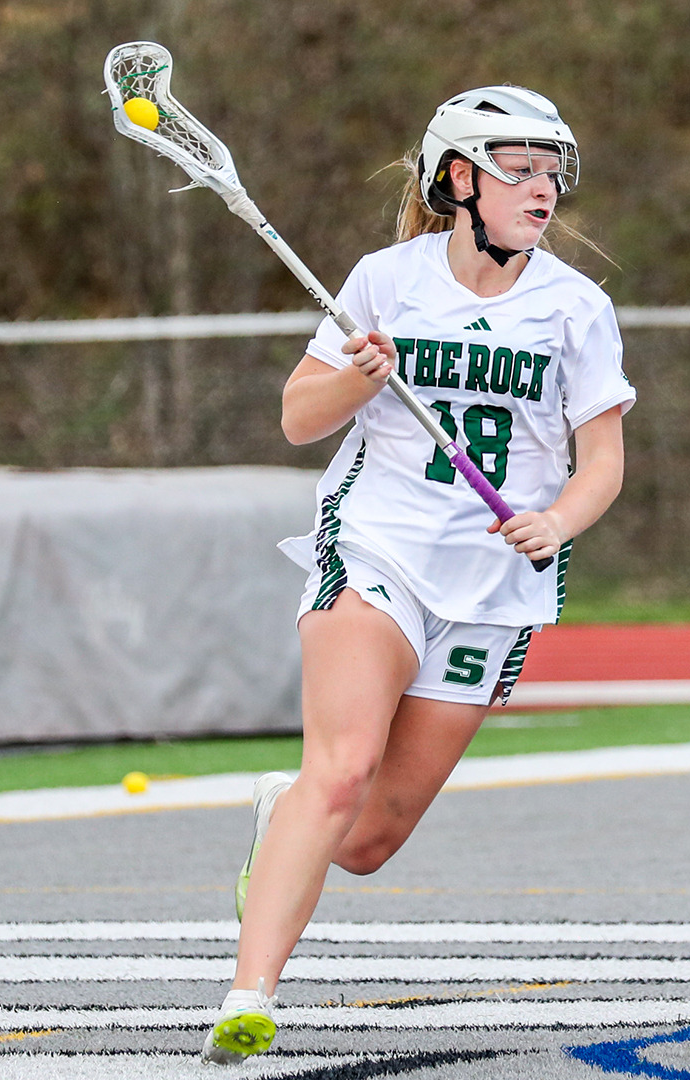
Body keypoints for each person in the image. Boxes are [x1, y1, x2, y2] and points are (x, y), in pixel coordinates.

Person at [201, 84, 635, 1064]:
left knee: (365, 840)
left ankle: (284, 817)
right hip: (378, 545)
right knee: (342, 767)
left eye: (551, 171)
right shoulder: (385, 280)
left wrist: (557, 520)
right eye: (517, 170)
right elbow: (299, 417)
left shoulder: (576, 308)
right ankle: (248, 994)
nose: (542, 189)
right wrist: (353, 377)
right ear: (458, 179)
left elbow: (601, 460)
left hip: (492, 584)